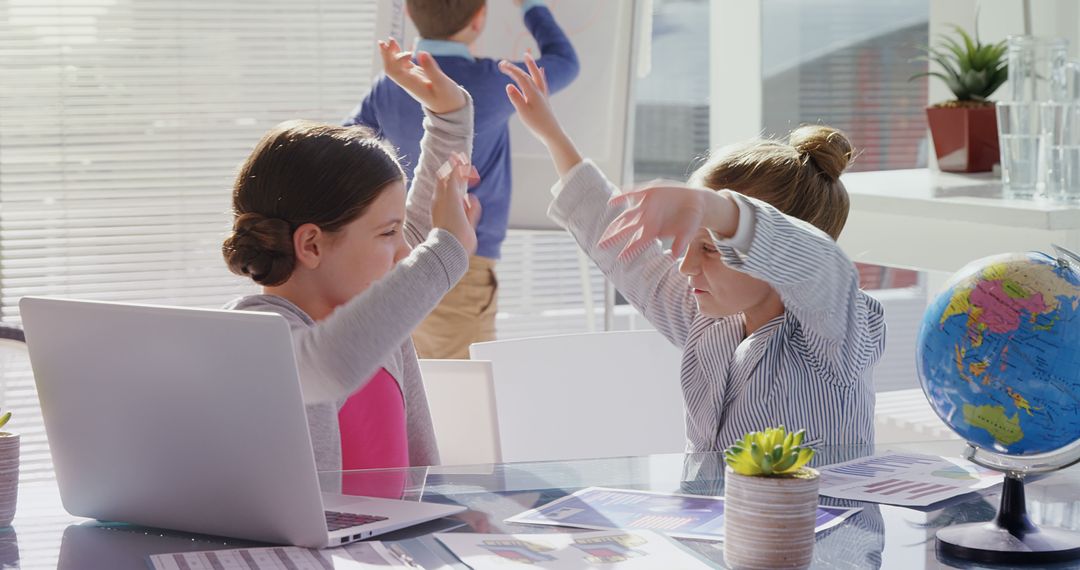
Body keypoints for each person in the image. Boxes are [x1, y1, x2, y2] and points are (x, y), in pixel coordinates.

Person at [499, 55, 886, 451]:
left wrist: (719, 211)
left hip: (825, 515)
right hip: (716, 513)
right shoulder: (709, 321)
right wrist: (553, 136)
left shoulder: (841, 334)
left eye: (709, 248)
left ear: (770, 253)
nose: (685, 266)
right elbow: (626, 251)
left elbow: (818, 264)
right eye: (687, 245)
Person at [221, 40, 479, 473]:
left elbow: (416, 221)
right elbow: (333, 360)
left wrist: (450, 117)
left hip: (399, 539)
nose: (405, 252)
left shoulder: (369, 292)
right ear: (312, 246)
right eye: (387, 233)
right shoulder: (255, 335)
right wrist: (447, 249)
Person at [345, 0, 579, 359]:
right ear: (479, 17)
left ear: (408, 12)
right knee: (465, 397)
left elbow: (347, 146)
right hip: (460, 268)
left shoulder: (388, 85)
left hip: (395, 264)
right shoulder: (492, 82)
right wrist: (531, 6)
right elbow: (564, 62)